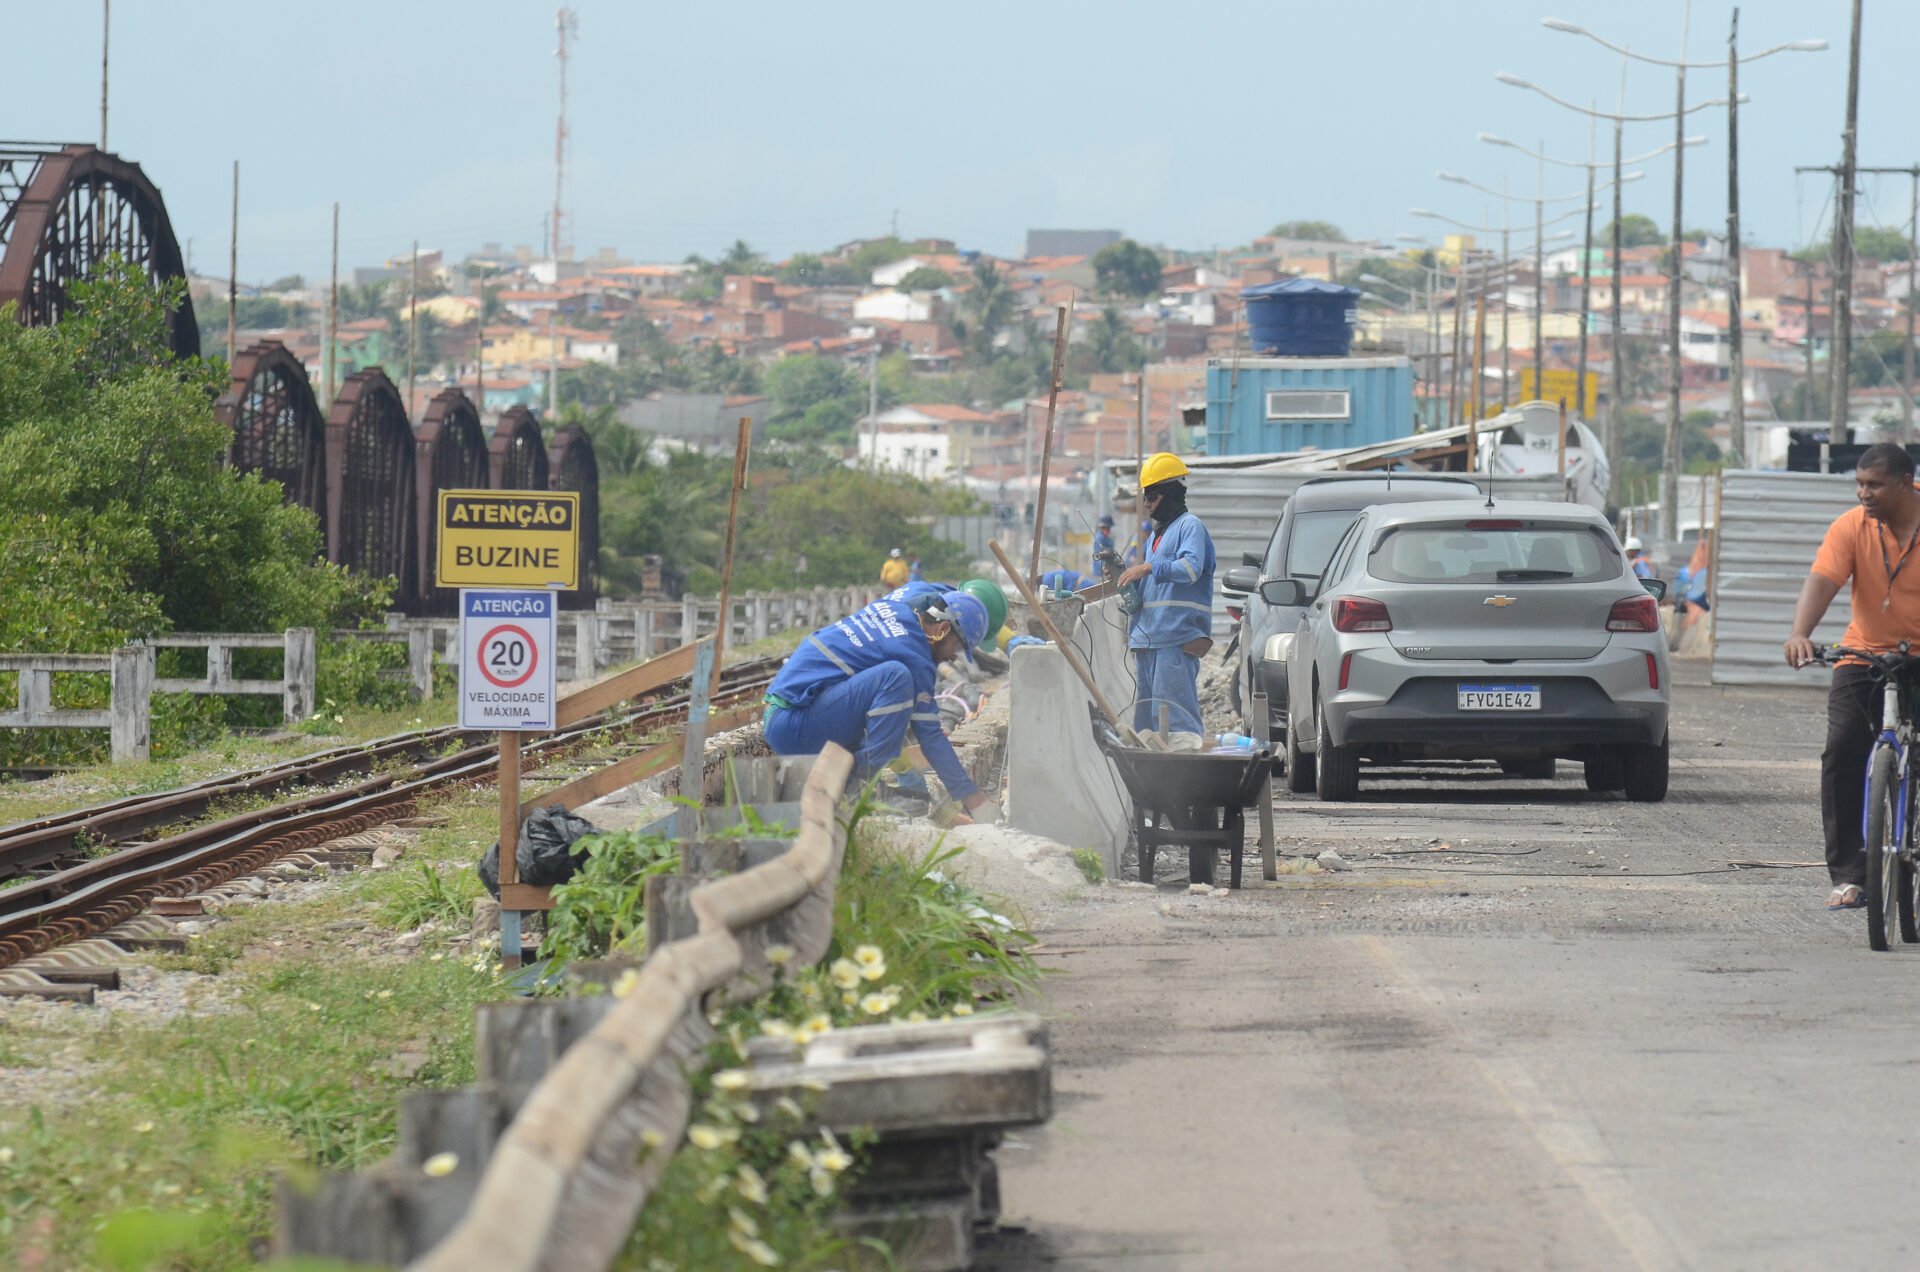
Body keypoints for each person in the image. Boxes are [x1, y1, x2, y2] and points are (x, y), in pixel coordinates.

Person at [1784, 443, 1920, 910]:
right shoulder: (1851, 527)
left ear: (1906, 483)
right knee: (1842, 749)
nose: (1864, 494)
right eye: (1860, 484)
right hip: (1865, 654)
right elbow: (1823, 580)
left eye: (1874, 485)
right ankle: (1848, 874)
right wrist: (1801, 633)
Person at [764, 588, 995, 822]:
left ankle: (849, 786)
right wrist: (975, 801)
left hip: (787, 714)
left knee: (890, 703)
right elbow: (931, 737)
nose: (953, 658)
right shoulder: (916, 657)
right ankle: (862, 786)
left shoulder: (897, 610)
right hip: (795, 724)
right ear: (942, 629)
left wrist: (931, 805)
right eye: (956, 648)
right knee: (895, 677)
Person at [1116, 452, 1216, 743]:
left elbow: (1190, 569)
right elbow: (1155, 587)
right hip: (1150, 638)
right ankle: (1155, 777)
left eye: (1150, 497)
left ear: (1169, 493)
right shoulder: (1156, 538)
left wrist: (1148, 567)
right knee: (1147, 721)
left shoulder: (1190, 526)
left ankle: (1186, 772)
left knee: (1176, 718)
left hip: (1176, 636)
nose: (1146, 505)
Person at [1091, 514, 1117, 580]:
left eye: (1108, 528)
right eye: (1105, 528)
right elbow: (1098, 557)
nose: (1108, 530)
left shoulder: (1108, 538)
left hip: (1108, 570)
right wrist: (1104, 569)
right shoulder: (1099, 539)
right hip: (1101, 573)